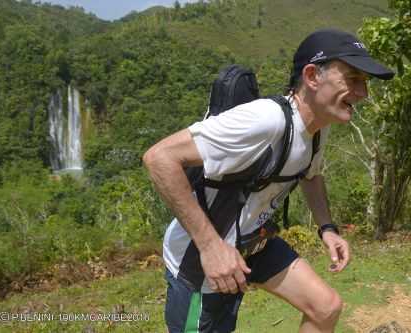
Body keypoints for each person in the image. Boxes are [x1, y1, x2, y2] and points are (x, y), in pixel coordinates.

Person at [143, 28, 394, 333]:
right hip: (199, 259)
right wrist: (211, 247)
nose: (363, 93)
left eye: (365, 83)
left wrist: (327, 228)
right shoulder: (266, 121)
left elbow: (311, 176)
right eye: (353, 78)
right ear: (312, 76)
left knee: (325, 308)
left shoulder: (317, 126)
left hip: (254, 244)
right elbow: (159, 158)